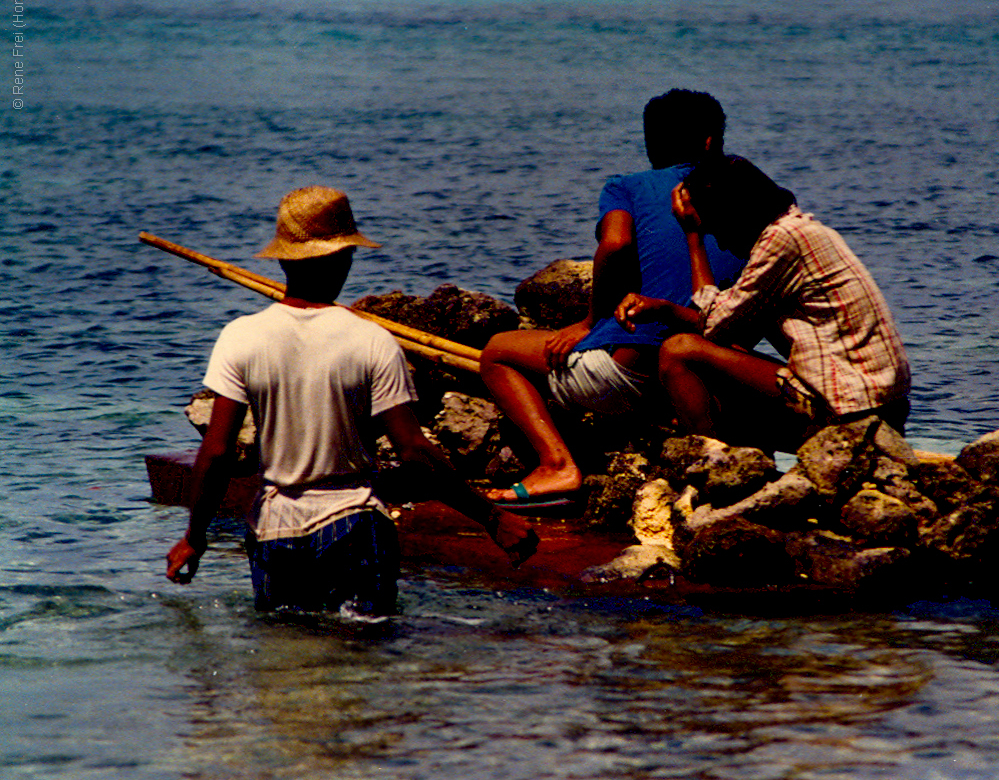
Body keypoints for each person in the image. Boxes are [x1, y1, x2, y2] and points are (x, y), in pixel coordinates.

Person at [165, 185, 537, 616]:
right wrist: (491, 518)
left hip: (275, 528)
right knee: (366, 657)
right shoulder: (372, 341)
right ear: (345, 257)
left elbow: (216, 453)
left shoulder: (240, 337)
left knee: (283, 665)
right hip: (354, 522)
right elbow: (415, 452)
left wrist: (195, 536)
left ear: (284, 259)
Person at [480, 89, 746, 508]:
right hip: (706, 373)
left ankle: (557, 466)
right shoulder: (749, 195)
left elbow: (617, 244)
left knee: (497, 351)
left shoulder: (629, 187)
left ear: (648, 143)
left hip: (629, 375)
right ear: (712, 143)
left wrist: (590, 322)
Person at [614, 155, 912, 449]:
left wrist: (692, 235)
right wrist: (663, 309)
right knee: (728, 352)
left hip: (851, 409)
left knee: (679, 352)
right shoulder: (803, 230)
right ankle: (735, 462)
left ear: (734, 213)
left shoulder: (783, 239)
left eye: (715, 227)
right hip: (879, 406)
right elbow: (726, 329)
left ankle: (707, 466)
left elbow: (713, 325)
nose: (719, 241)